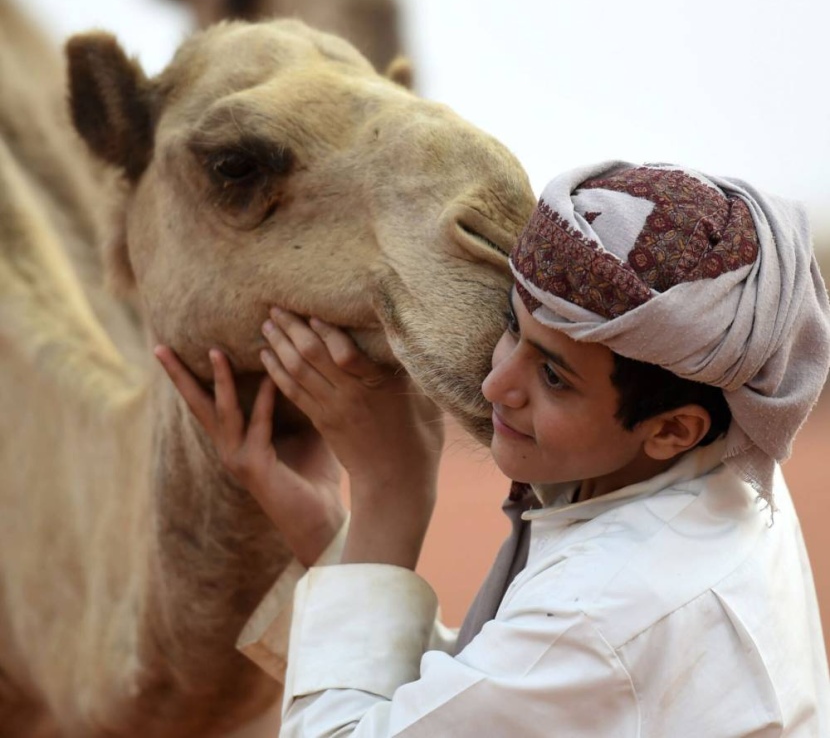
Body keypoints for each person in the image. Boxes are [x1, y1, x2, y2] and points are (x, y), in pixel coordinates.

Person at [156, 161, 830, 736]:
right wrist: (331, 538)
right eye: (515, 327)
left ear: (671, 429)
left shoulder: (603, 610)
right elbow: (493, 693)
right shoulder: (715, 476)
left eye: (554, 376)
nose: (497, 383)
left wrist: (392, 488)